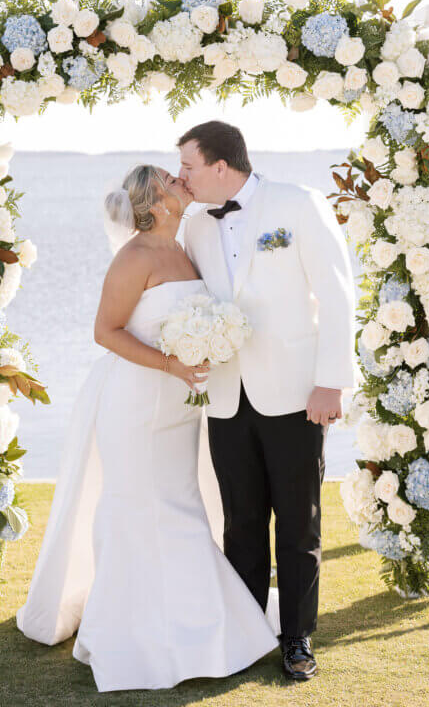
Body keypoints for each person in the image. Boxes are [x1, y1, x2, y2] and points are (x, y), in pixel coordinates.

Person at [16, 164, 279, 693]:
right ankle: (133, 635)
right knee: (137, 507)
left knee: (182, 505)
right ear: (153, 202)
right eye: (169, 177)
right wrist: (172, 365)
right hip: (136, 402)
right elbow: (105, 331)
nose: (181, 179)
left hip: (181, 404)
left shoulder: (185, 248)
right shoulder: (133, 256)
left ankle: (197, 628)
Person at [179, 121, 357, 681]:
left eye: (188, 165)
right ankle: (247, 627)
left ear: (221, 166)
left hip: (297, 395)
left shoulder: (298, 204)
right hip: (226, 397)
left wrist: (332, 381)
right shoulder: (194, 228)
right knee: (240, 522)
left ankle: (297, 637)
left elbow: (337, 294)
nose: (181, 176)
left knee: (298, 524)